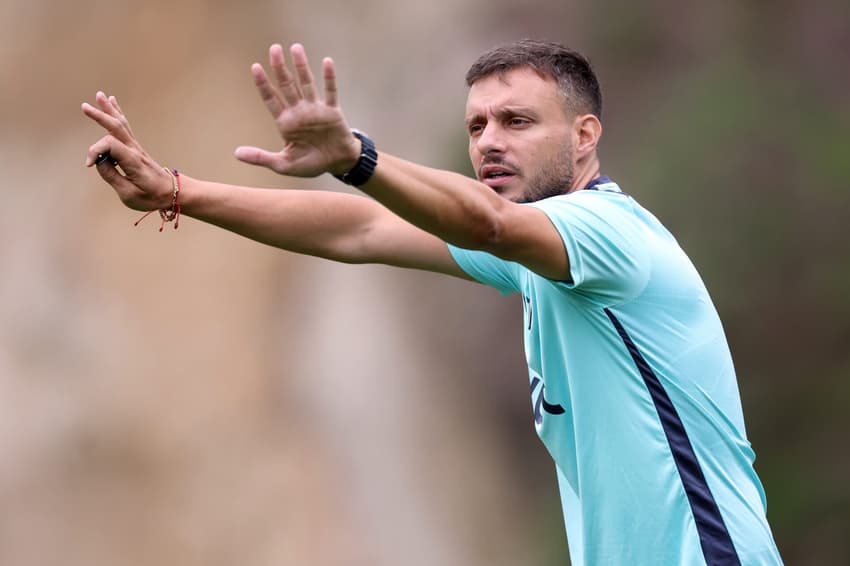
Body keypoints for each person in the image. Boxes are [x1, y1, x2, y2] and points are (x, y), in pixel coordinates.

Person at [82, 39, 783, 565]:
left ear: (584, 135)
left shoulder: (608, 234)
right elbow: (363, 229)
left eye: (516, 121)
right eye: (477, 127)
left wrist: (356, 156)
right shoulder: (539, 256)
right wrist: (180, 192)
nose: (490, 143)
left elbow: (486, 220)